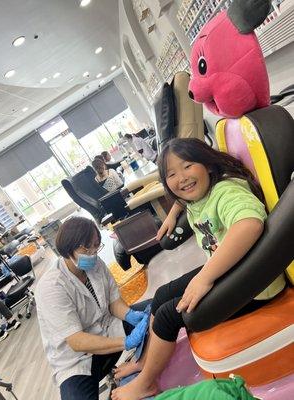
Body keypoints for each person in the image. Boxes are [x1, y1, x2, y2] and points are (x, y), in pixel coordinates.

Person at [111, 138, 286, 400]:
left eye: (188, 166)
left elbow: (249, 224)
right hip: (231, 271)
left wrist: (205, 278)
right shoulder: (198, 195)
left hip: (253, 285)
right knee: (162, 294)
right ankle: (144, 363)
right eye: (171, 174)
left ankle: (146, 383)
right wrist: (172, 213)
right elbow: (183, 198)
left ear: (208, 164)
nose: (181, 178)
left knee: (170, 314)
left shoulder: (226, 192)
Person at [35, 216, 150, 400]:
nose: (93, 252)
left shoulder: (96, 264)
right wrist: (127, 342)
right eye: (85, 247)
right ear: (67, 250)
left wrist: (129, 315)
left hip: (109, 329)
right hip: (76, 360)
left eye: (96, 245)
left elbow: (114, 302)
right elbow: (77, 341)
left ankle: (142, 368)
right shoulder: (51, 287)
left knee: (155, 309)